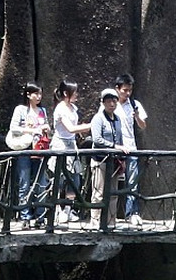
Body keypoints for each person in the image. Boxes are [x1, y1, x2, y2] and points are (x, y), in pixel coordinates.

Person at [8, 83, 51, 228]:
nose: (38, 97)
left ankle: (41, 217)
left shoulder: (42, 110)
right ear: (28, 95)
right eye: (35, 93)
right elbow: (13, 128)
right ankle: (24, 217)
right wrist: (31, 131)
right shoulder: (21, 110)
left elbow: (45, 128)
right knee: (24, 184)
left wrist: (45, 129)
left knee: (41, 183)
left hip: (39, 150)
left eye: (40, 94)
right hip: (25, 149)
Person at [49, 80, 91, 228]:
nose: (77, 95)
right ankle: (57, 209)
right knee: (60, 178)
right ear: (66, 94)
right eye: (75, 92)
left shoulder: (73, 108)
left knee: (74, 179)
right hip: (60, 144)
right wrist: (90, 125)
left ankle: (68, 208)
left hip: (72, 145)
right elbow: (70, 128)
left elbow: (74, 132)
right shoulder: (60, 109)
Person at [89, 89, 125, 228]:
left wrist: (122, 157)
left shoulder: (117, 119)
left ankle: (111, 222)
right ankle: (95, 221)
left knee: (113, 193)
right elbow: (97, 139)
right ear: (102, 102)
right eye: (108, 100)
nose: (112, 103)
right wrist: (114, 146)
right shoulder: (98, 118)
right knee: (98, 192)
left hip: (114, 161)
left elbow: (120, 139)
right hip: (100, 160)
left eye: (114, 100)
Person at [115, 73, 147, 225]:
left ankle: (132, 213)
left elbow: (143, 125)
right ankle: (108, 214)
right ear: (117, 89)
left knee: (132, 181)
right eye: (124, 90)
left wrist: (137, 117)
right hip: (115, 149)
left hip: (131, 147)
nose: (127, 93)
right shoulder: (110, 103)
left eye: (130, 90)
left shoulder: (135, 104)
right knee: (111, 181)